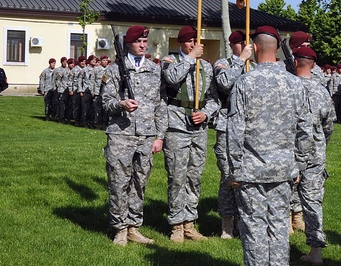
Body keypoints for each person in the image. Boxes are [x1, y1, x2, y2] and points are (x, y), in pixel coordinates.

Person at [226, 26, 312, 266]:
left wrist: (233, 168)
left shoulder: (245, 82)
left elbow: (235, 130)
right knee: (277, 226)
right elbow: (305, 130)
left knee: (254, 226)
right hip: (283, 169)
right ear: (276, 49)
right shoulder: (295, 84)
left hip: (251, 170)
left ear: (255, 47)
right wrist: (299, 164)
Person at [101, 25, 167, 246]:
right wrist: (121, 104)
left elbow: (160, 105)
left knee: (140, 182)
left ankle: (134, 227)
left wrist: (160, 136)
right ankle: (120, 228)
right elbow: (105, 102)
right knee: (119, 182)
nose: (142, 45)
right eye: (138, 41)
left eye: (144, 41)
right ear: (129, 43)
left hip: (146, 135)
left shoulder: (154, 69)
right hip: (122, 135)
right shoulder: (114, 70)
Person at [162, 25, 219, 243]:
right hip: (177, 125)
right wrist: (189, 58)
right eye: (189, 42)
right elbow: (172, 80)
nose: (194, 45)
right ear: (182, 43)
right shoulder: (171, 61)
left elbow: (214, 98)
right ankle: (177, 223)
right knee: (177, 175)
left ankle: (190, 222)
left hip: (199, 127)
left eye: (197, 41)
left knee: (194, 176)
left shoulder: (206, 66)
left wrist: (205, 114)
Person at [294, 46, 335, 266]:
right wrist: (320, 144)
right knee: (313, 202)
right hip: (316, 153)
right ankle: (315, 251)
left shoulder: (288, 87)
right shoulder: (322, 91)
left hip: (290, 153)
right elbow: (329, 125)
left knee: (281, 202)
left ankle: (277, 249)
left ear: (296, 62)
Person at [213, 30, 251, 239]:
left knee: (247, 176)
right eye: (244, 44)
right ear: (234, 45)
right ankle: (227, 223)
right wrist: (240, 60)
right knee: (228, 175)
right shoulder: (223, 64)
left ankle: (243, 220)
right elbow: (225, 84)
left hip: (249, 128)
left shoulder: (253, 67)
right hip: (227, 125)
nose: (249, 47)